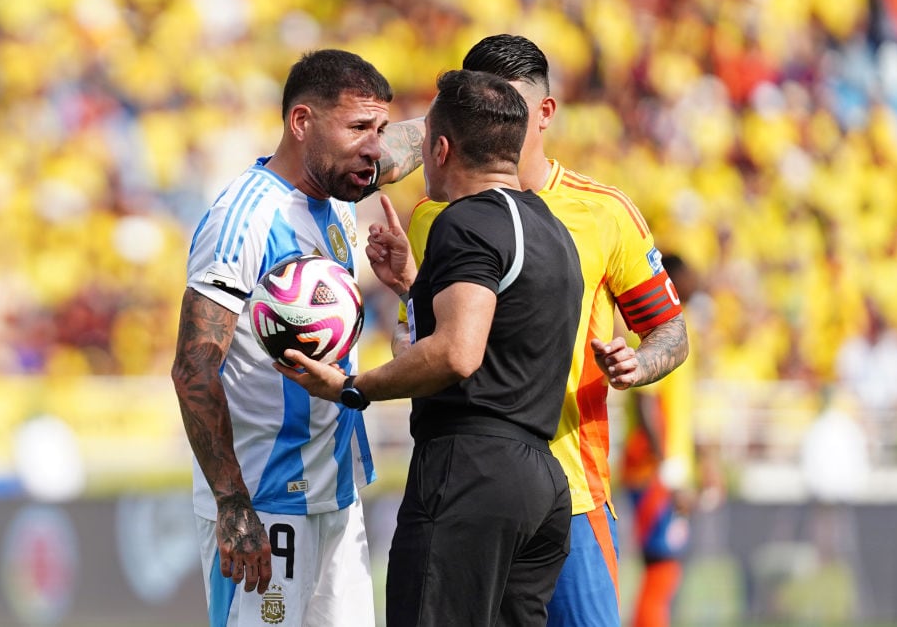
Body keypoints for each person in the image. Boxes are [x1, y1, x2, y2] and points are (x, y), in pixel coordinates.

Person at [399, 35, 690, 627]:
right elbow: (439, 333)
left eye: (505, 103)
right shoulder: (436, 213)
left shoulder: (603, 212)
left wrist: (640, 363)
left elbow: (670, 329)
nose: (493, 118)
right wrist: (407, 282)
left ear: (545, 113)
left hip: (575, 492)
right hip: (469, 487)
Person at [277, 68, 585, 627]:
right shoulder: (550, 227)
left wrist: (352, 387)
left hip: (470, 473)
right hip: (540, 482)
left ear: (440, 149)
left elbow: (457, 353)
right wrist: (414, 287)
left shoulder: (465, 221)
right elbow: (500, 332)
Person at [170, 48, 423, 627]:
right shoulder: (244, 217)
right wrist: (233, 504)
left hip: (337, 496)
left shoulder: (340, 189)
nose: (375, 146)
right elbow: (193, 370)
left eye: (380, 128)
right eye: (360, 127)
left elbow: (412, 145)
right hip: (264, 503)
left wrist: (480, 95)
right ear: (301, 122)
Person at [620, 254, 700, 627]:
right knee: (661, 563)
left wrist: (698, 461)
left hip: (665, 469)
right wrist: (668, 473)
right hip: (652, 470)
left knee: (666, 566)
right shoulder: (660, 333)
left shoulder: (680, 329)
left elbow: (679, 410)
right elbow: (647, 401)